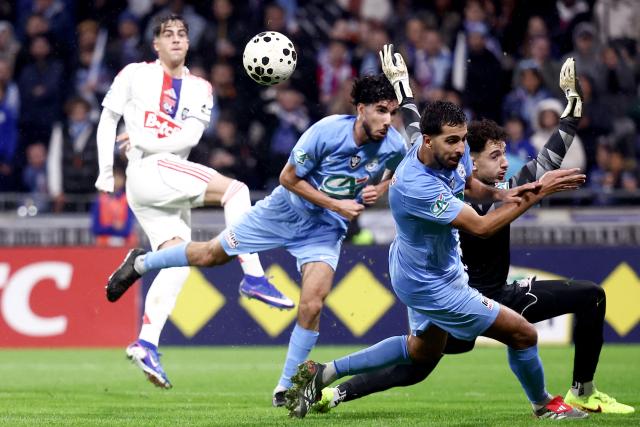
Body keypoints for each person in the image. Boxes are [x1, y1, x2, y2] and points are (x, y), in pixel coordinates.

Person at [313, 58, 633, 415]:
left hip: (475, 289)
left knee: (420, 356)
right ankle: (545, 407)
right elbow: (483, 222)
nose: (504, 163)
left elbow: (542, 163)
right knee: (478, 346)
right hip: (449, 290)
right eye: (494, 156)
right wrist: (537, 191)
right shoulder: (429, 186)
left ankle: (583, 391)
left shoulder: (479, 174)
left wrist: (570, 119)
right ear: (471, 160)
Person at [104, 72, 411, 403]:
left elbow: (401, 172)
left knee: (312, 303)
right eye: (380, 110)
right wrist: (337, 202)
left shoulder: (393, 144)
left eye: (392, 112)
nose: (387, 120)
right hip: (281, 212)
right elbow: (288, 178)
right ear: (361, 108)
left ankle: (287, 386)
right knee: (210, 255)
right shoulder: (325, 132)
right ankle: (142, 261)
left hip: (324, 229)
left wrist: (378, 188)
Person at [95, 14, 293, 390]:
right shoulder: (134, 74)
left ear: (188, 44)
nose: (175, 39)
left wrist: (143, 139)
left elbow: (188, 138)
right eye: (167, 34)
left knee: (177, 261)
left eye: (181, 34)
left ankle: (146, 343)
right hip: (148, 171)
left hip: (162, 169)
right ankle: (253, 276)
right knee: (236, 191)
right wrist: (105, 171)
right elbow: (108, 119)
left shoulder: (201, 88)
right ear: (155, 44)